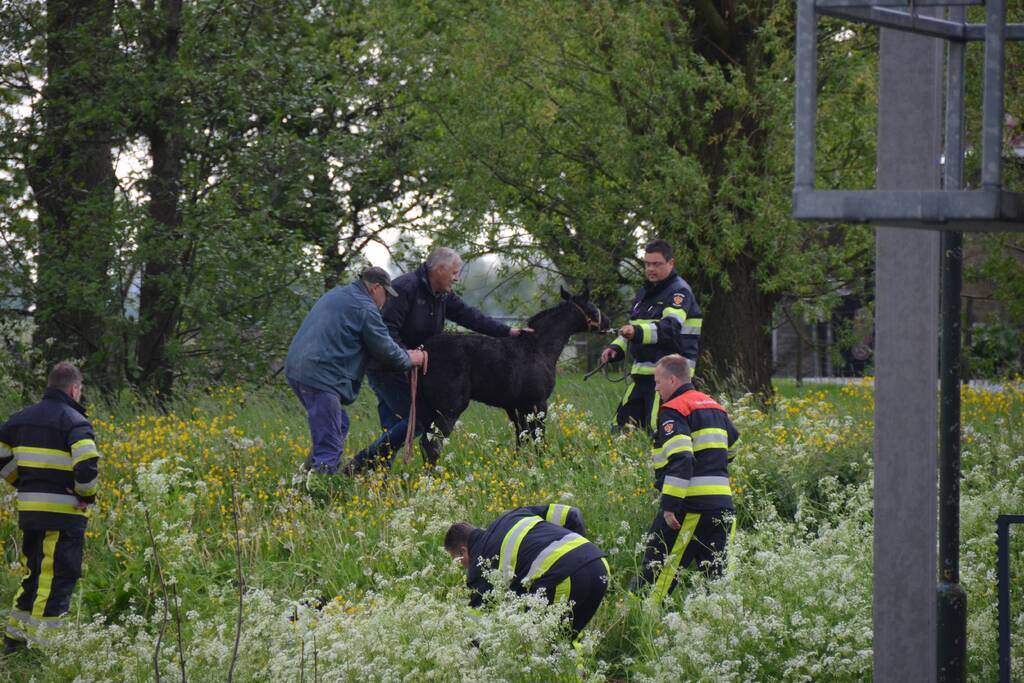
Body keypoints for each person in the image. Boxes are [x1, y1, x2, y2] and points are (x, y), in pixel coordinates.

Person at [346, 247, 531, 473]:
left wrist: (507, 332)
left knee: (396, 426)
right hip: (387, 367)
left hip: (410, 365)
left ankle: (374, 477)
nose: (456, 278)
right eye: (454, 272)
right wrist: (406, 358)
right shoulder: (406, 288)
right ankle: (359, 465)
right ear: (440, 269)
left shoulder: (442, 295)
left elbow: (470, 317)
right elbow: (385, 331)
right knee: (418, 420)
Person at [284, 267, 426, 479]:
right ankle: (321, 491)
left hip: (298, 369)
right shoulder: (365, 308)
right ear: (375, 288)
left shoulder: (338, 294)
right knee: (330, 445)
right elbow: (385, 350)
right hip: (321, 376)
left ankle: (302, 480)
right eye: (386, 294)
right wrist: (411, 358)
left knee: (339, 425)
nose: (386, 300)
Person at [0, 362, 99, 653]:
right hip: (63, 515)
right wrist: (85, 495)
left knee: (34, 573)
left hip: (30, 511)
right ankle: (44, 648)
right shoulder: (75, 421)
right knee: (57, 579)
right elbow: (87, 462)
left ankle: (15, 640)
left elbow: (1, 454)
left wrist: (22, 481)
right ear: (74, 389)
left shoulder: (20, 419)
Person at [634, 354, 739, 604]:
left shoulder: (674, 409)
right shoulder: (714, 405)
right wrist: (711, 465)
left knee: (656, 571)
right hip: (722, 506)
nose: (656, 388)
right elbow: (733, 446)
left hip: (689, 506)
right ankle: (721, 622)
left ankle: (638, 619)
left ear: (672, 380)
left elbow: (681, 458)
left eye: (658, 382)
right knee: (717, 579)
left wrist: (670, 505)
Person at [444, 504, 609, 639]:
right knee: (567, 643)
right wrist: (581, 557)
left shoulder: (479, 566)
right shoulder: (514, 515)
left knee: (541, 646)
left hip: (563, 578)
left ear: (464, 551)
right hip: (599, 565)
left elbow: (477, 627)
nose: (463, 567)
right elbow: (572, 514)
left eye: (458, 561)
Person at [600, 240, 702, 433]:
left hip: (670, 378)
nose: (650, 269)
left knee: (659, 432)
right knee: (620, 431)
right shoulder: (645, 293)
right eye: (647, 264)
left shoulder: (679, 292)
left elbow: (669, 328)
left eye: (656, 264)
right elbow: (632, 329)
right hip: (643, 377)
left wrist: (636, 332)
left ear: (670, 263)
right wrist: (616, 348)